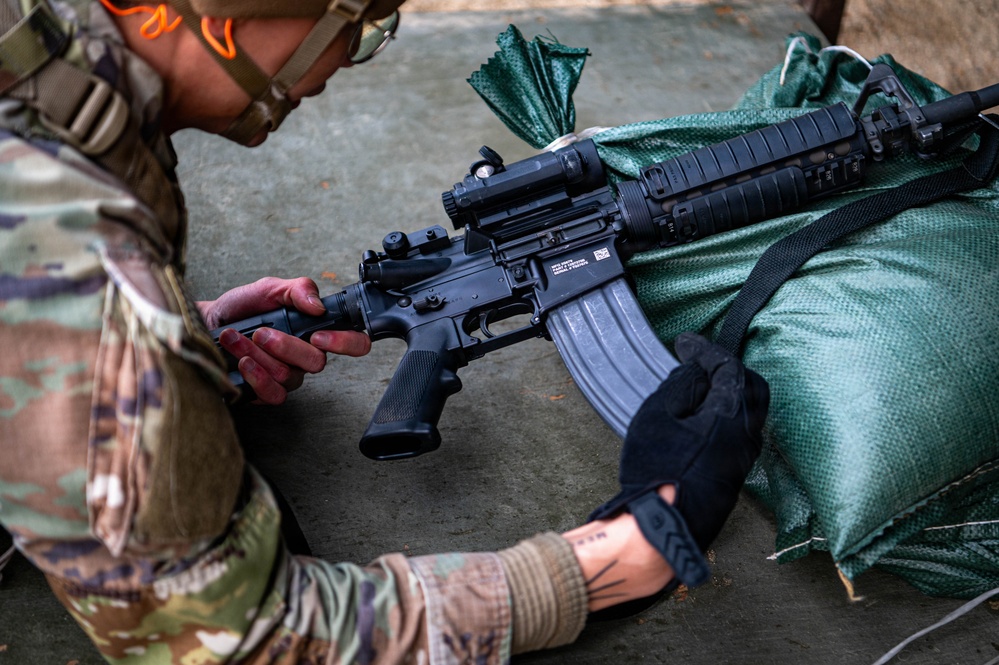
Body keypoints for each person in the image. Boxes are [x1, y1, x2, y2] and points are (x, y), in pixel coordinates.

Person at [0, 0, 770, 662]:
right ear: (231, 20)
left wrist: (179, 343)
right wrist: (627, 551)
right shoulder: (83, 272)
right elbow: (244, 640)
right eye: (361, 26)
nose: (348, 60)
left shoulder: (42, 67)